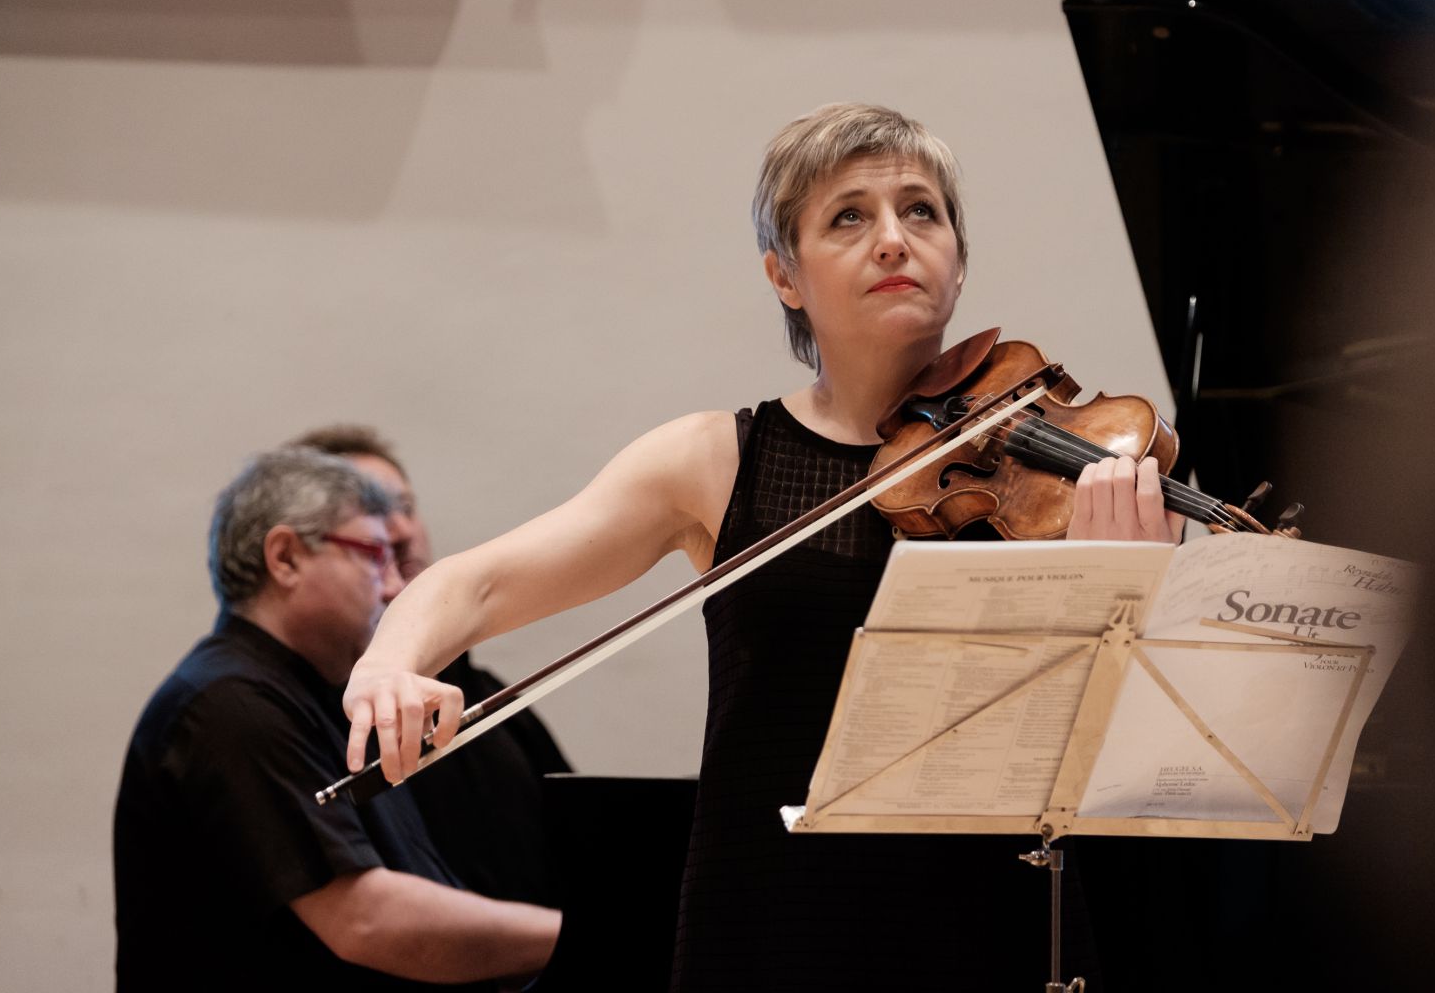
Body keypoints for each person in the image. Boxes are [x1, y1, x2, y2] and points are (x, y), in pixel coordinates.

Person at [340, 104, 1180, 990]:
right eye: (848, 216)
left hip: (993, 924)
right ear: (785, 275)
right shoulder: (713, 462)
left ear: (959, 260)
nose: (893, 239)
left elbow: (1144, 756)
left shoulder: (1065, 477)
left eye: (921, 211)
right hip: (775, 921)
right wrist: (389, 664)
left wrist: (1128, 593)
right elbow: (474, 586)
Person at [113, 448, 559, 991]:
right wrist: (578, 936)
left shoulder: (317, 695)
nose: (394, 587)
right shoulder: (228, 706)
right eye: (375, 555)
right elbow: (367, 920)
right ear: (286, 558)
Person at [290, 424, 572, 906]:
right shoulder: (311, 708)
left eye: (404, 508)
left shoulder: (485, 692)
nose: (399, 532)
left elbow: (579, 835)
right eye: (371, 513)